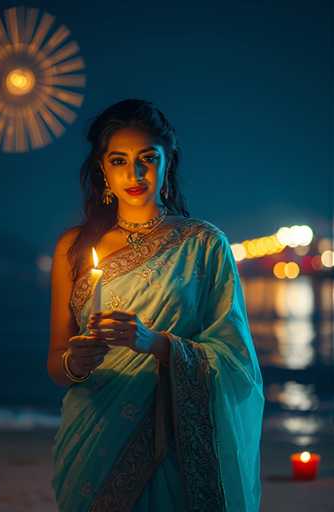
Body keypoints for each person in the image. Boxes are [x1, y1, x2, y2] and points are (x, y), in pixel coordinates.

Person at [47, 98, 265, 511]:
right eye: (119, 160)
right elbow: (56, 365)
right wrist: (77, 361)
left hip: (172, 439)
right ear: (102, 171)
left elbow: (237, 362)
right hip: (94, 432)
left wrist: (155, 343)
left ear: (168, 163)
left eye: (148, 158)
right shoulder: (72, 249)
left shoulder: (204, 244)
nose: (135, 172)